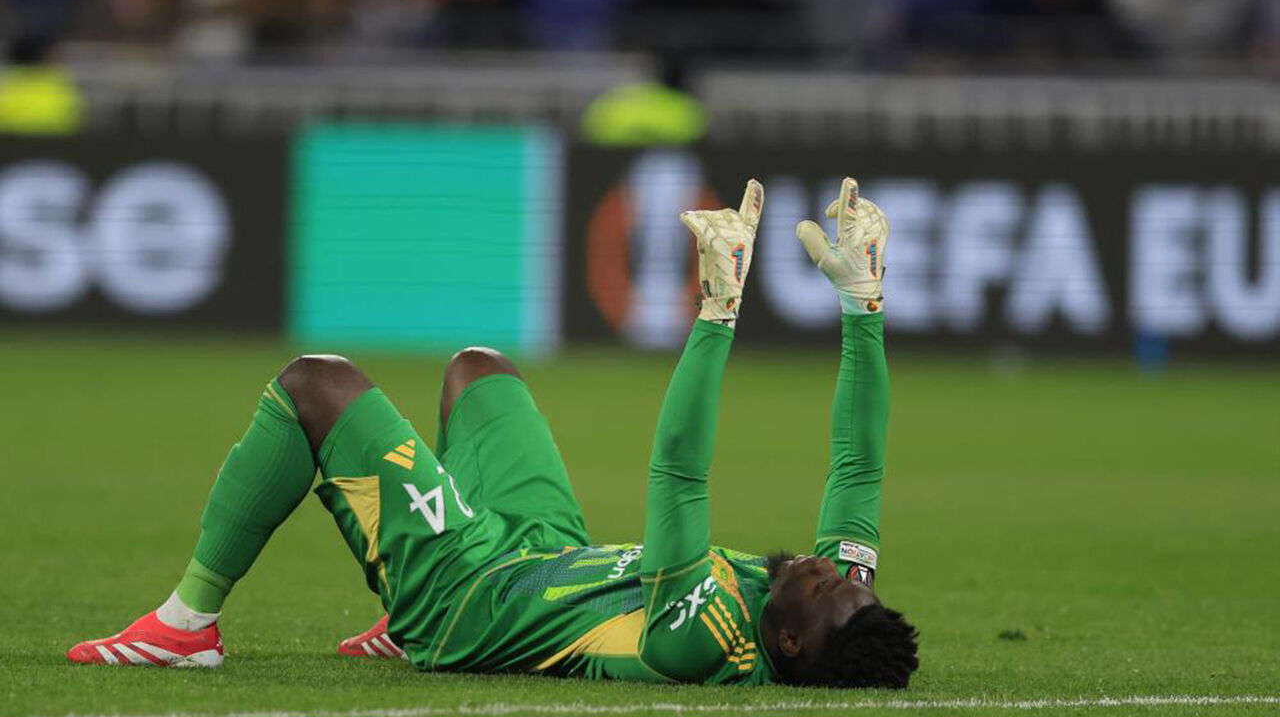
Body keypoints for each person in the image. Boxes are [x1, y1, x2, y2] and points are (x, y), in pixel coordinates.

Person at [67, 178, 919, 688]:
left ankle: (187, 623)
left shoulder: (702, 638)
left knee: (314, 382)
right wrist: (864, 306)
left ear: (788, 642)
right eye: (845, 578)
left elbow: (678, 471)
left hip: (471, 601)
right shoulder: (826, 599)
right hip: (543, 553)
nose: (825, 569)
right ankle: (391, 607)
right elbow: (859, 465)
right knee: (480, 371)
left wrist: (717, 312)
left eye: (823, 587)